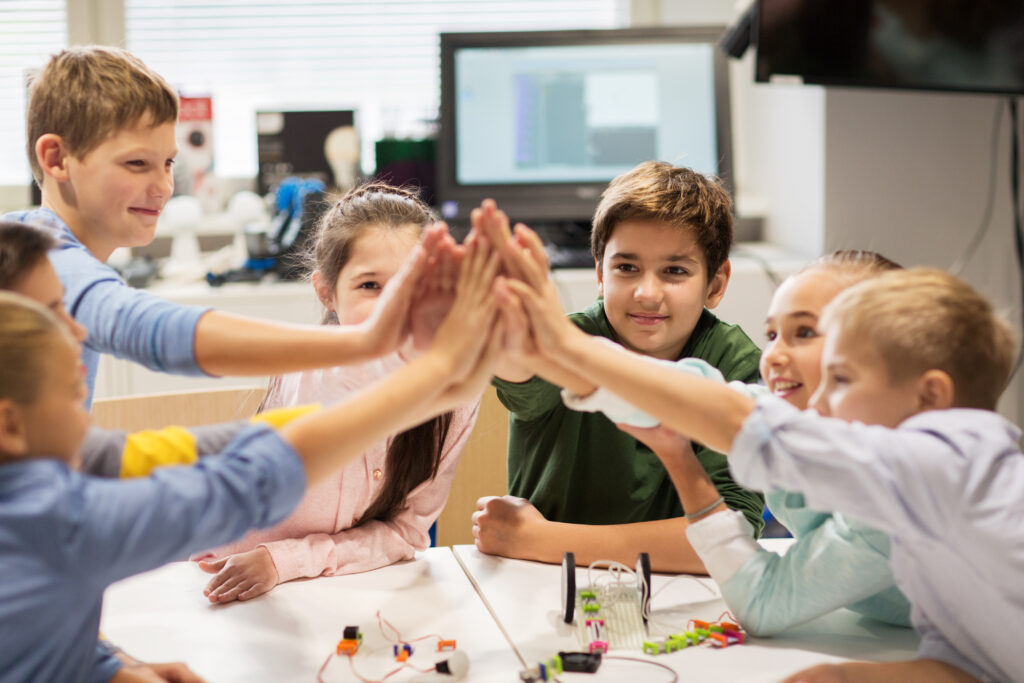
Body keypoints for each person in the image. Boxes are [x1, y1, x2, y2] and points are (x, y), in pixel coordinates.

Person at [0, 233, 503, 683]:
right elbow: (246, 482)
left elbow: (206, 449)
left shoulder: (71, 464)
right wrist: (424, 382)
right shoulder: (53, 518)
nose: (80, 332)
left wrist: (111, 670)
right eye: (52, 314)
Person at [500, 259, 1022, 683]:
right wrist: (845, 676)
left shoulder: (949, 460)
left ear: (929, 397)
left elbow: (742, 420)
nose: (821, 401)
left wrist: (568, 348)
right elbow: (967, 665)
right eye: (773, 334)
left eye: (841, 378)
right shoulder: (931, 535)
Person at [3, 46, 433, 408]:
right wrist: (366, 342)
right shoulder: (43, 263)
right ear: (56, 159)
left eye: (168, 163)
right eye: (136, 163)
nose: (163, 186)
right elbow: (154, 331)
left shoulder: (34, 242)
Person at [556, 248, 912, 635]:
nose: (773, 356)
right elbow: (689, 395)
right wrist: (558, 353)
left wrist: (560, 346)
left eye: (805, 333)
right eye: (772, 335)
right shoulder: (790, 418)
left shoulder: (895, 494)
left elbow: (764, 602)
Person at [193, 184, 480, 603]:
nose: (395, 306)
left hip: (336, 589)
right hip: (222, 581)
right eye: (370, 285)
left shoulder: (455, 397)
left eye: (414, 284)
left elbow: (406, 532)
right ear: (326, 293)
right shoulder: (310, 373)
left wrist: (284, 562)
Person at [473, 162, 764, 574]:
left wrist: (536, 538)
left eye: (675, 271)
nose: (647, 293)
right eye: (627, 268)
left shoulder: (735, 362)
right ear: (600, 273)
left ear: (715, 284)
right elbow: (519, 365)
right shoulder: (572, 338)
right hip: (543, 583)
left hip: (672, 590)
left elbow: (733, 540)